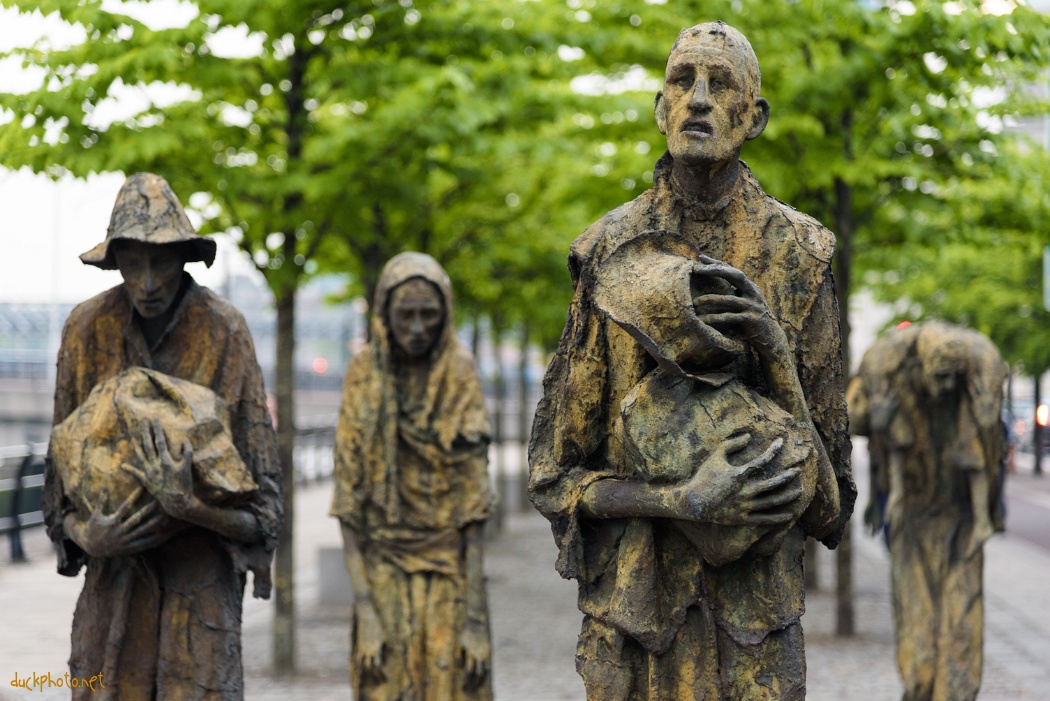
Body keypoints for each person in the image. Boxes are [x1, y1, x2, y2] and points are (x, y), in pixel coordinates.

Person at [528, 22, 855, 700]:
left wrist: (772, 350)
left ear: (753, 115)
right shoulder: (607, 251)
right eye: (683, 80)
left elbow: (832, 508)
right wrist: (680, 500)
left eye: (721, 82)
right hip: (635, 629)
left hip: (754, 634)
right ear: (660, 109)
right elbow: (555, 476)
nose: (698, 98)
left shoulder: (802, 254)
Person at [43, 172, 283, 700]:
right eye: (133, 263)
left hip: (199, 603)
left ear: (183, 256)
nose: (148, 282)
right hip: (112, 602)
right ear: (116, 262)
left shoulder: (224, 331)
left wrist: (191, 506)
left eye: (162, 262)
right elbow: (57, 481)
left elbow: (264, 512)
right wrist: (89, 536)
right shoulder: (86, 331)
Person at [330, 252, 495, 701]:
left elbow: (475, 508)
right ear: (385, 314)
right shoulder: (363, 373)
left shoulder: (460, 372)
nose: (418, 327)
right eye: (406, 315)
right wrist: (365, 609)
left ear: (445, 314)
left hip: (449, 577)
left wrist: (476, 621)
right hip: (381, 575)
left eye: (428, 313)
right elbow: (347, 503)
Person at [848, 321, 1005, 701]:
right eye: (940, 377)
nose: (946, 387)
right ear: (919, 367)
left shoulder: (970, 390)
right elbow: (847, 416)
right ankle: (917, 690)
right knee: (918, 637)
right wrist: (875, 422)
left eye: (954, 378)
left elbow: (986, 450)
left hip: (961, 521)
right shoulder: (888, 374)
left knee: (962, 631)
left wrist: (987, 424)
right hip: (913, 519)